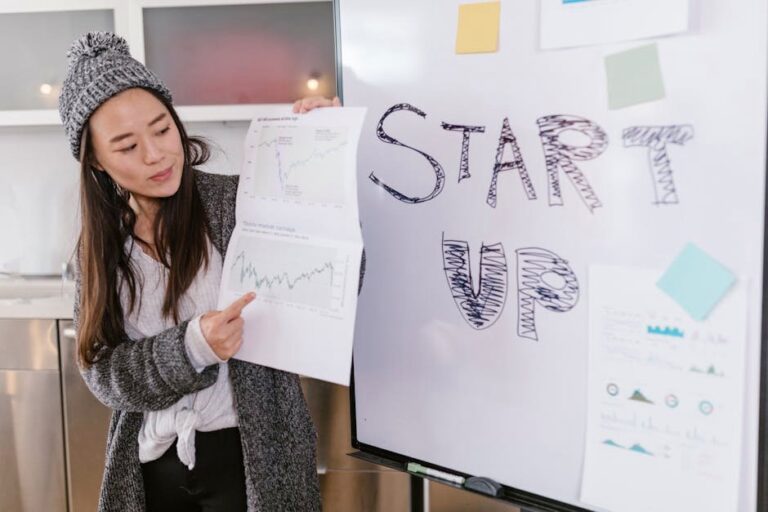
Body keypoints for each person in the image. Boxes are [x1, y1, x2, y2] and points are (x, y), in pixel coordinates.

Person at [59, 31, 341, 512]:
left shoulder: (238, 203)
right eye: (126, 146)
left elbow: (339, 280)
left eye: (162, 129)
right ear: (98, 164)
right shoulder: (100, 249)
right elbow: (104, 375)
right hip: (153, 465)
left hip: (252, 459)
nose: (155, 154)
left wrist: (326, 158)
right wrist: (193, 347)